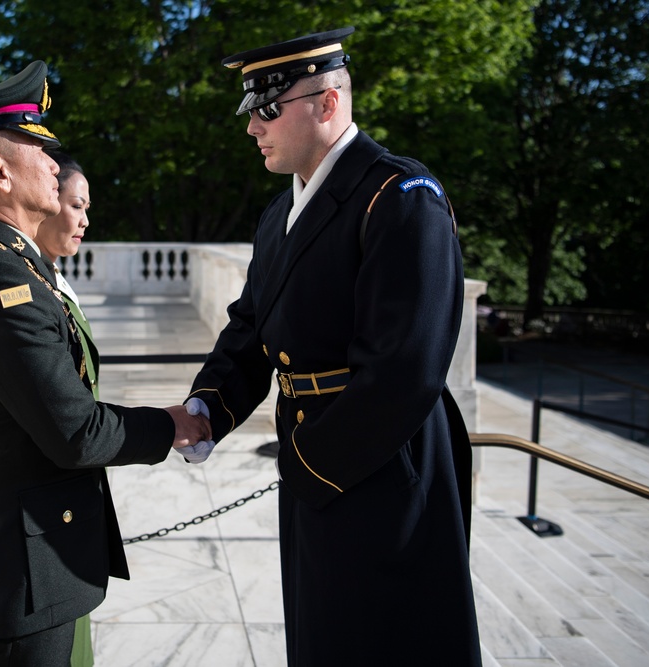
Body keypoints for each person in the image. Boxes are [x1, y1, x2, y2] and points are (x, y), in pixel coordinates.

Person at [186, 29, 482, 665]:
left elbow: (407, 367)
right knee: (324, 633)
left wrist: (308, 463)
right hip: (316, 453)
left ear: (327, 104)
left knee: (389, 638)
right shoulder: (279, 212)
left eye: (268, 109)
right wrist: (207, 405)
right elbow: (251, 325)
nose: (252, 128)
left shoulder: (400, 196)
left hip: (381, 461)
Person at [0, 60, 210, 666]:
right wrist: (173, 424)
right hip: (14, 571)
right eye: (37, 147)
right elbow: (76, 431)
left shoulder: (5, 259)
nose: (55, 163)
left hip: (30, 555)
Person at [34, 151, 95, 667]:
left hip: (68, 503)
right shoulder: (24, 286)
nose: (84, 219)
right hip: (42, 516)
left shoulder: (54, 279)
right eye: (76, 204)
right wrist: (167, 426)